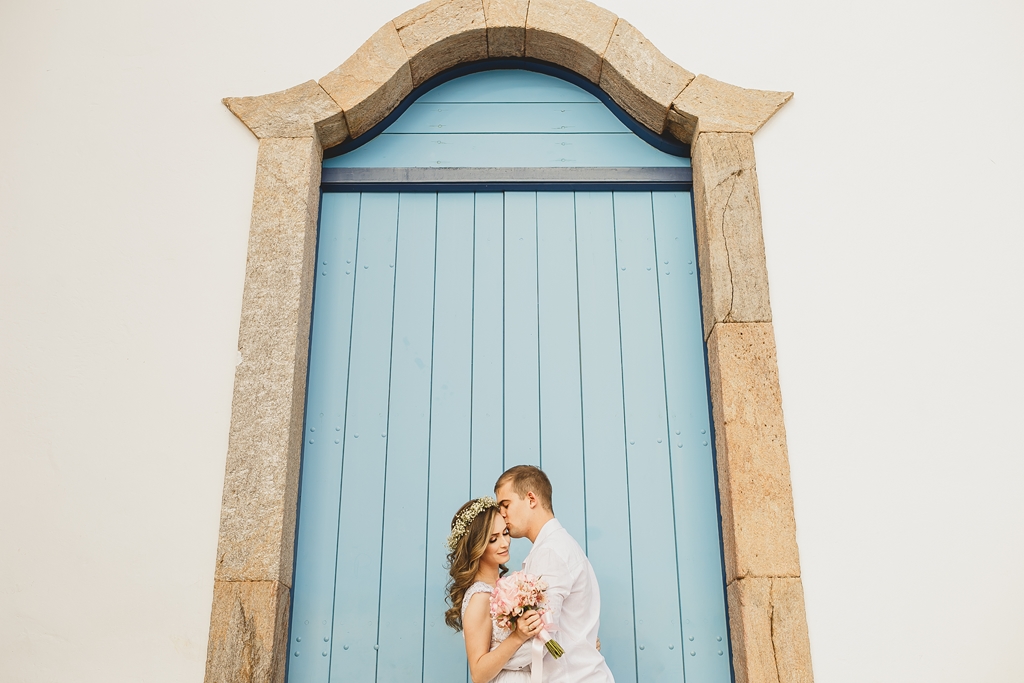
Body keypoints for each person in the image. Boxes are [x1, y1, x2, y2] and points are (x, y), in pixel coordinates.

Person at [495, 466, 615, 683]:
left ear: (531, 499)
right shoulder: (558, 546)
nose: (502, 514)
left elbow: (542, 640)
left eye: (506, 505)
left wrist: (489, 659)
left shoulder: (550, 552)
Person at [446, 497, 544, 683]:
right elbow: (478, 674)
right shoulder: (480, 596)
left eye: (505, 533)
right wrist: (517, 636)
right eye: (493, 539)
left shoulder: (506, 587)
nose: (505, 543)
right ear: (476, 546)